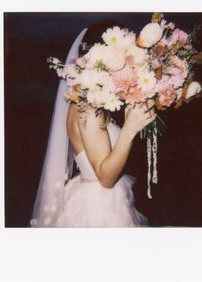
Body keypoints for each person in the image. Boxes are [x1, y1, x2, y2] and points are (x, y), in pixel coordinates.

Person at [30, 21, 156, 227]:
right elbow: (106, 177)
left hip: (99, 198)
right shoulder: (86, 107)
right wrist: (129, 129)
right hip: (98, 208)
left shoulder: (94, 98)